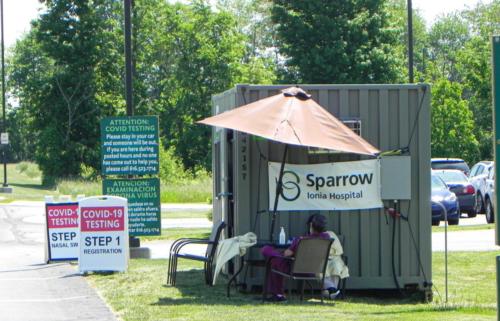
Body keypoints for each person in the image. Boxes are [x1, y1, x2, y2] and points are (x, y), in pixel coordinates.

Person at [261, 214, 330, 302]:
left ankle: (278, 294)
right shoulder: (326, 238)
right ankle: (278, 294)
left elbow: (287, 254)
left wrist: (282, 251)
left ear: (311, 225)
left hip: (295, 269)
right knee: (275, 260)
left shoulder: (301, 240)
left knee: (268, 251)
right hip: (313, 270)